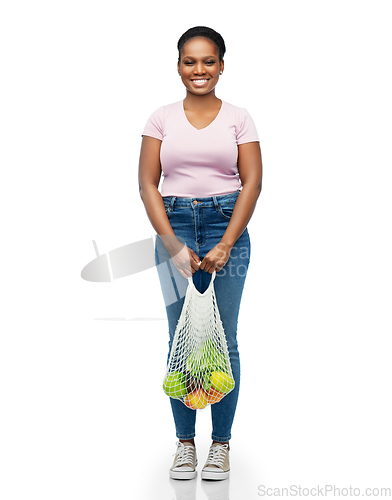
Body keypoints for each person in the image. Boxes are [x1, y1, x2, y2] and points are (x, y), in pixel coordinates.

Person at [138, 26, 263, 481]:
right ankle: (186, 444)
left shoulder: (239, 117)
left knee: (223, 339)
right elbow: (147, 183)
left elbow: (252, 182)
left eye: (208, 61)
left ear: (222, 65)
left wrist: (227, 243)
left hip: (226, 225)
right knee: (182, 339)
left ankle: (221, 445)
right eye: (190, 62)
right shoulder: (161, 118)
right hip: (172, 229)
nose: (199, 70)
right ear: (178, 66)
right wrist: (171, 242)